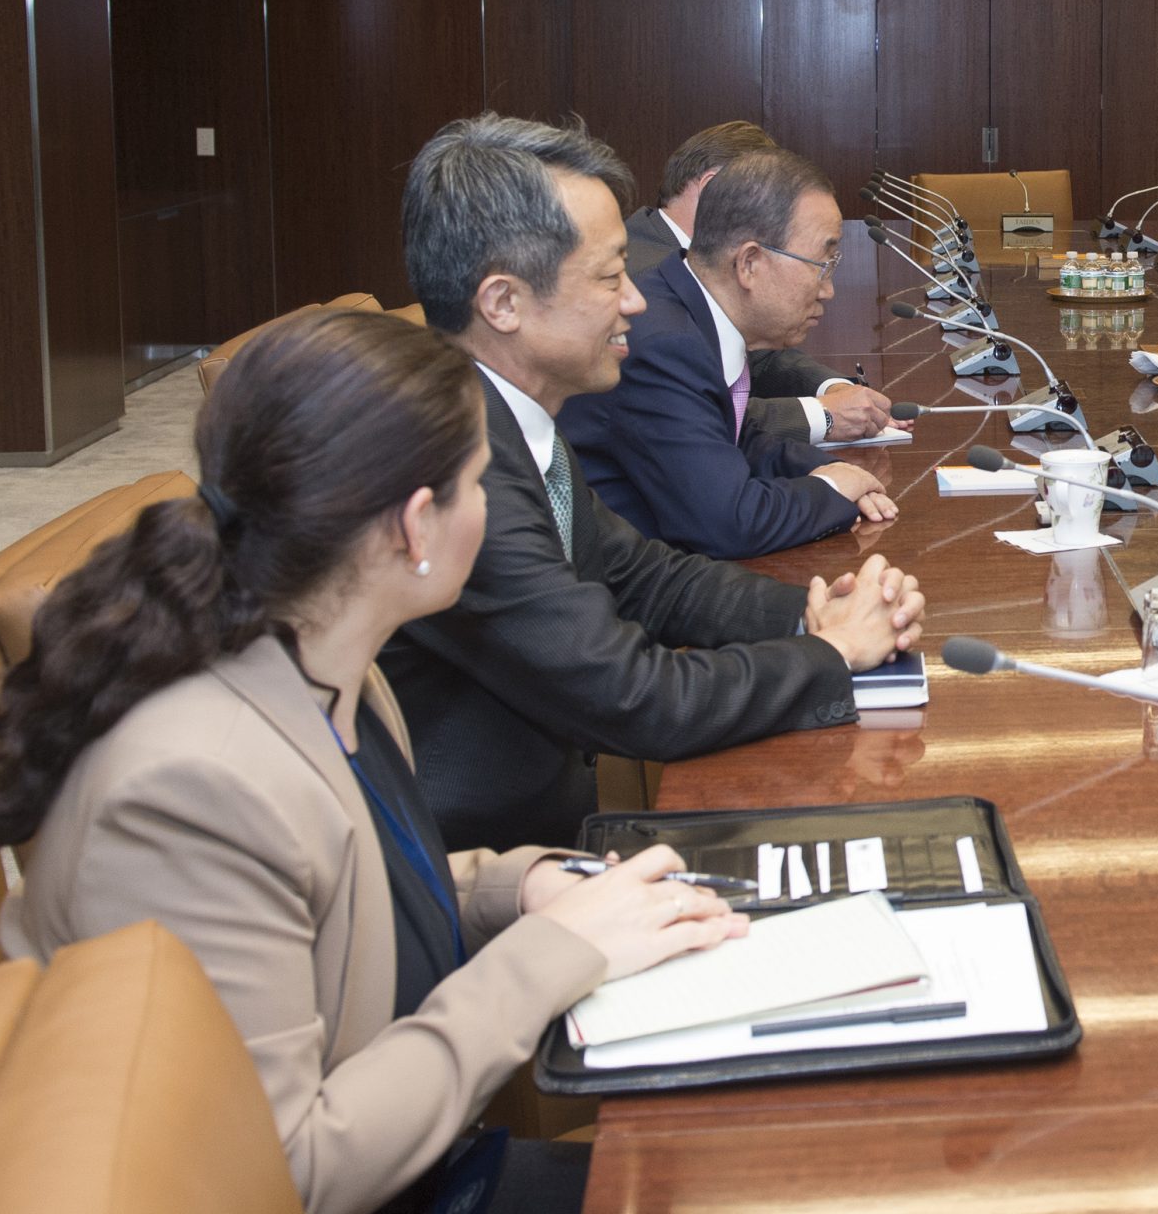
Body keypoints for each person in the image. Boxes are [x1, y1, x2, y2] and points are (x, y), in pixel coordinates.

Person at [0, 308, 745, 1214]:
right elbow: (285, 1166)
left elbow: (340, 894)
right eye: (481, 483)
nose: (493, 509)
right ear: (416, 528)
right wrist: (550, 956)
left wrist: (520, 885)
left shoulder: (330, 664)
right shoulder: (191, 788)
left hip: (416, 1158)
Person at [383, 114, 925, 850]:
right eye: (609, 278)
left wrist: (815, 608)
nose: (637, 300)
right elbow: (633, 696)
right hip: (488, 865)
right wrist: (830, 655)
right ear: (503, 303)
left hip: (547, 823)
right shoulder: (452, 468)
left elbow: (645, 577)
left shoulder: (509, 417)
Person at [563, 147, 898, 558]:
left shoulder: (691, 309)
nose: (828, 290)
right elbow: (727, 523)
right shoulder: (665, 343)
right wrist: (830, 492)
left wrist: (825, 470)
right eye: (822, 264)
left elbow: (733, 438)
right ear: (749, 264)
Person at [625, 120, 898, 443]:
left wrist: (831, 387)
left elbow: (757, 358)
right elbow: (695, 416)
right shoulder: (641, 277)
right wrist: (822, 414)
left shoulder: (685, 256)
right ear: (713, 188)